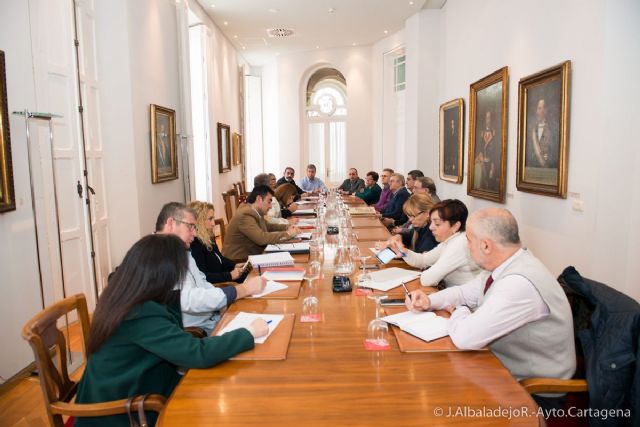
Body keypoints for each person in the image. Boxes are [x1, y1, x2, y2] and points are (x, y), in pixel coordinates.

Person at [74, 234, 268, 427]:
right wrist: (248, 332)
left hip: (136, 388)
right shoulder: (140, 312)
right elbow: (197, 353)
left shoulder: (127, 295)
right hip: (122, 412)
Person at [405, 208, 576, 410]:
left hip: (531, 390)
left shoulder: (520, 283)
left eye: (468, 240)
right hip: (498, 365)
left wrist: (460, 309)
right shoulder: (506, 264)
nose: (466, 246)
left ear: (485, 245)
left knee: (433, 394)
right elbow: (464, 293)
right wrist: (429, 300)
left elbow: (465, 337)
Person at [156, 203, 265, 334]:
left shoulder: (181, 250)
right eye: (190, 227)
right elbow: (189, 300)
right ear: (171, 223)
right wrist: (241, 290)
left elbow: (202, 281)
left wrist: (222, 303)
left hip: (213, 318)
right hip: (199, 330)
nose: (195, 234)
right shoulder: (159, 257)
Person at [389, 199, 480, 287]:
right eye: (431, 222)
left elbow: (428, 279)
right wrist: (403, 252)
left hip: (464, 301)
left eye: (437, 224)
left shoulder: (460, 244)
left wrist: (428, 271)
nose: (430, 227)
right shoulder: (450, 240)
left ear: (455, 226)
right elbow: (423, 260)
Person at [222, 185, 300, 260]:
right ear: (259, 199)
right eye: (269, 202)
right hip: (240, 262)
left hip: (253, 256)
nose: (271, 206)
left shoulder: (254, 210)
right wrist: (288, 234)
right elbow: (262, 238)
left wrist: (286, 227)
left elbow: (268, 226)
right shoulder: (245, 214)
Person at [188, 201, 247, 284]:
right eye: (210, 219)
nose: (213, 224)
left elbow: (220, 258)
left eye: (213, 219)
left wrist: (234, 265)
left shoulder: (207, 237)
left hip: (225, 277)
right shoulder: (194, 245)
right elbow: (204, 277)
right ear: (198, 221)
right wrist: (230, 275)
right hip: (219, 285)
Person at [528, 99, 557, 168]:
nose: (541, 111)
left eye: (543, 108)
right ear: (536, 111)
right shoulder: (532, 129)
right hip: (532, 167)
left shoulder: (552, 128)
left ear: (546, 111)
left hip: (547, 168)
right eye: (539, 108)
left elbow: (554, 151)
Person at [475, 110, 498, 191]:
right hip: (482, 163)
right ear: (485, 119)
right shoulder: (481, 133)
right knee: (482, 185)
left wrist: (493, 166)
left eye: (490, 118)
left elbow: (496, 152)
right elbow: (479, 148)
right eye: (487, 118)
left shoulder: (495, 133)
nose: (489, 120)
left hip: (491, 163)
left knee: (491, 185)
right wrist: (480, 157)